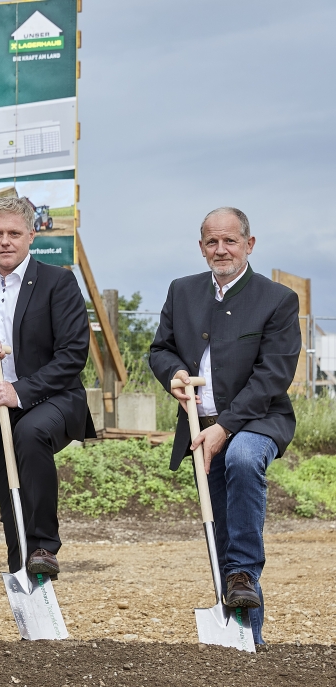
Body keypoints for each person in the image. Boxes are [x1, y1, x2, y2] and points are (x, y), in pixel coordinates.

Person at [149, 207, 299, 648]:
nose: (221, 249)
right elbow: (160, 350)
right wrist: (174, 373)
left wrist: (227, 427)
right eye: (212, 242)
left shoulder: (277, 299)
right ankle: (245, 638)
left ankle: (242, 573)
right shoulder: (182, 292)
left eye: (230, 241)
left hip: (258, 420)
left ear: (249, 245)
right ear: (201, 247)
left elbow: (274, 375)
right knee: (218, 523)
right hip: (200, 424)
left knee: (243, 455)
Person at [0, 196, 94, 579]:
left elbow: (73, 354)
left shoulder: (58, 282)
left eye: (13, 233)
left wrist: (20, 390)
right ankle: (25, 576)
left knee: (29, 432)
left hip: (54, 400)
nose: (5, 241)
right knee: (11, 499)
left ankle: (45, 545)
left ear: (31, 235)